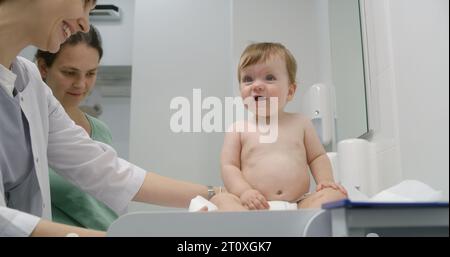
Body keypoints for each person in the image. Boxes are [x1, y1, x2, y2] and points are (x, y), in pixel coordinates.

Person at [0, 0, 220, 237]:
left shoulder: (29, 82)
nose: (85, 24)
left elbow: (103, 168)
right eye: (84, 3)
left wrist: (214, 194)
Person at [214, 42, 347, 211]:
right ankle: (250, 233)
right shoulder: (238, 129)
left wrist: (326, 182)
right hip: (253, 206)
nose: (256, 85)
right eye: (248, 79)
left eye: (269, 77)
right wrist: (244, 192)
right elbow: (229, 166)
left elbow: (317, 157)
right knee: (221, 200)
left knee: (335, 196)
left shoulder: (301, 123)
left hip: (299, 204)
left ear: (290, 91)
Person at [35, 25, 118, 230]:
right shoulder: (29, 126)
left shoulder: (100, 130)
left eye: (91, 73)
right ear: (43, 68)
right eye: (70, 73)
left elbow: (116, 187)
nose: (81, 84)